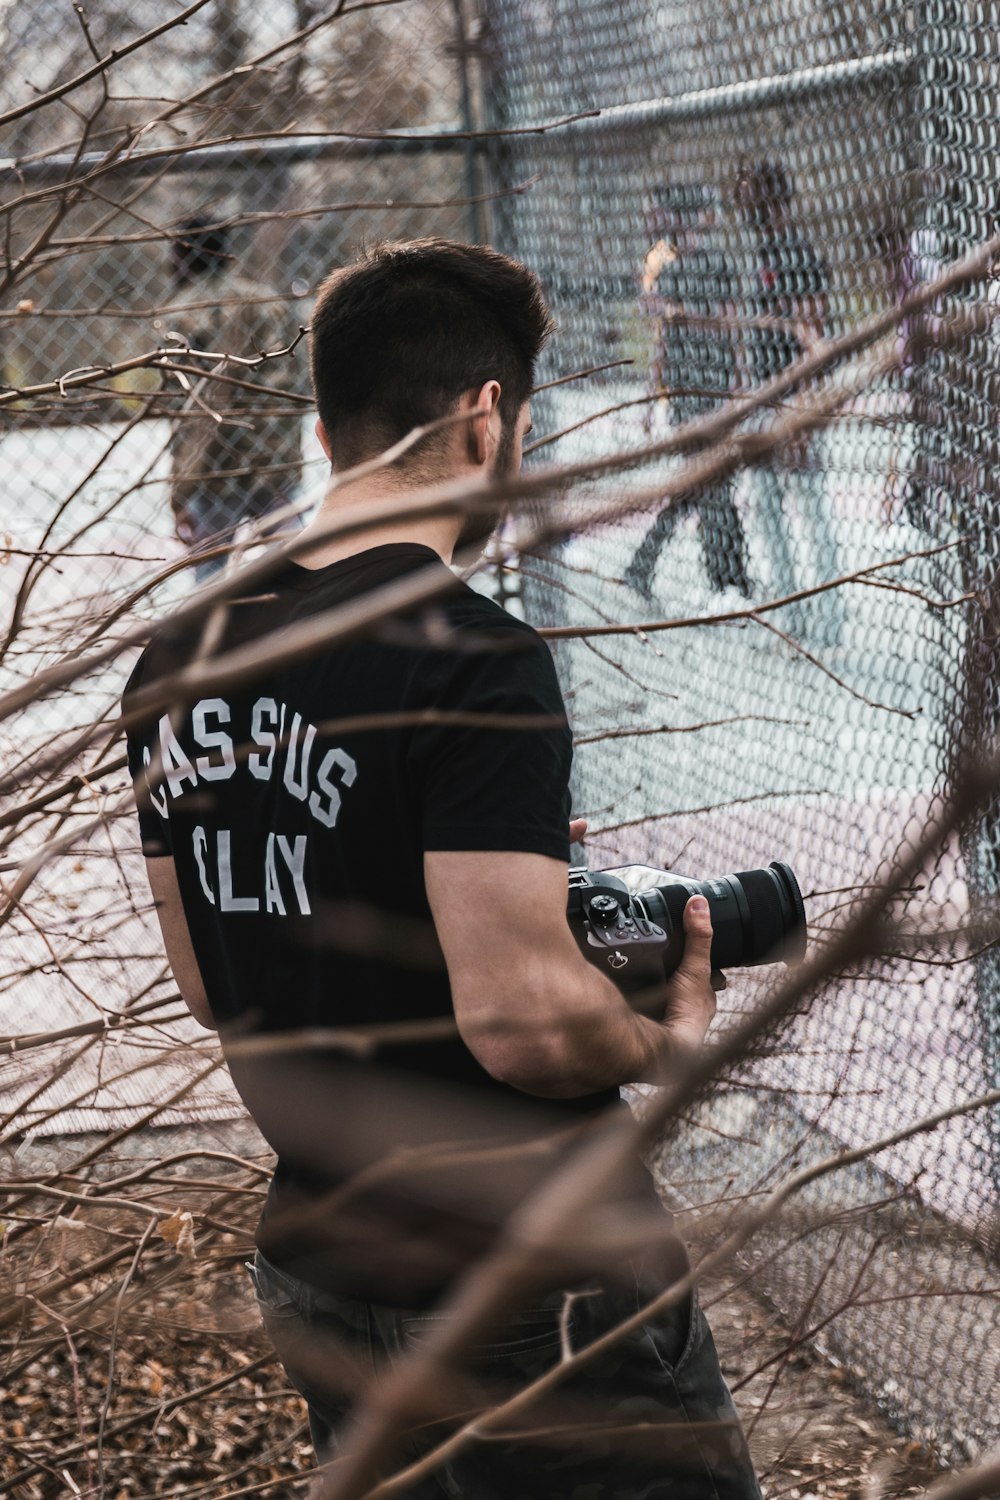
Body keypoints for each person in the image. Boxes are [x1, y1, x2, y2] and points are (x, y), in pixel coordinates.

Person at [123, 238, 761, 1498]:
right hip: (522, 1274)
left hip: (321, 1262)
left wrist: (475, 881)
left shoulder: (178, 654)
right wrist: (665, 1042)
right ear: (485, 417)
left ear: (325, 425)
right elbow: (524, 1025)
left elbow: (213, 978)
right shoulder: (471, 657)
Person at [734, 160, 844, 645]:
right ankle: (792, 618)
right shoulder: (763, 252)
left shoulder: (799, 252)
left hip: (794, 402)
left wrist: (805, 411)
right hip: (763, 402)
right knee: (770, 510)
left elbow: (813, 336)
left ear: (773, 198)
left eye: (750, 194)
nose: (743, 204)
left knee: (812, 511)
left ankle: (828, 623)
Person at [626, 185, 752, 602]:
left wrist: (739, 382)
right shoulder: (669, 271)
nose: (659, 225)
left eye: (664, 216)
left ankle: (723, 576)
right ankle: (727, 578)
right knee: (707, 484)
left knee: (709, 484)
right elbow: (664, 339)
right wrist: (650, 397)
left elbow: (728, 324)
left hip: (714, 387)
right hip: (684, 392)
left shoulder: (716, 264)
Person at [165, 217, 304, 581]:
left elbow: (180, 409)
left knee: (210, 579)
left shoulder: (179, 314)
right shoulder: (268, 302)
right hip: (273, 461)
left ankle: (215, 636)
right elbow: (291, 386)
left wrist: (179, 493)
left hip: (213, 470)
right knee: (297, 568)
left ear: (181, 255)